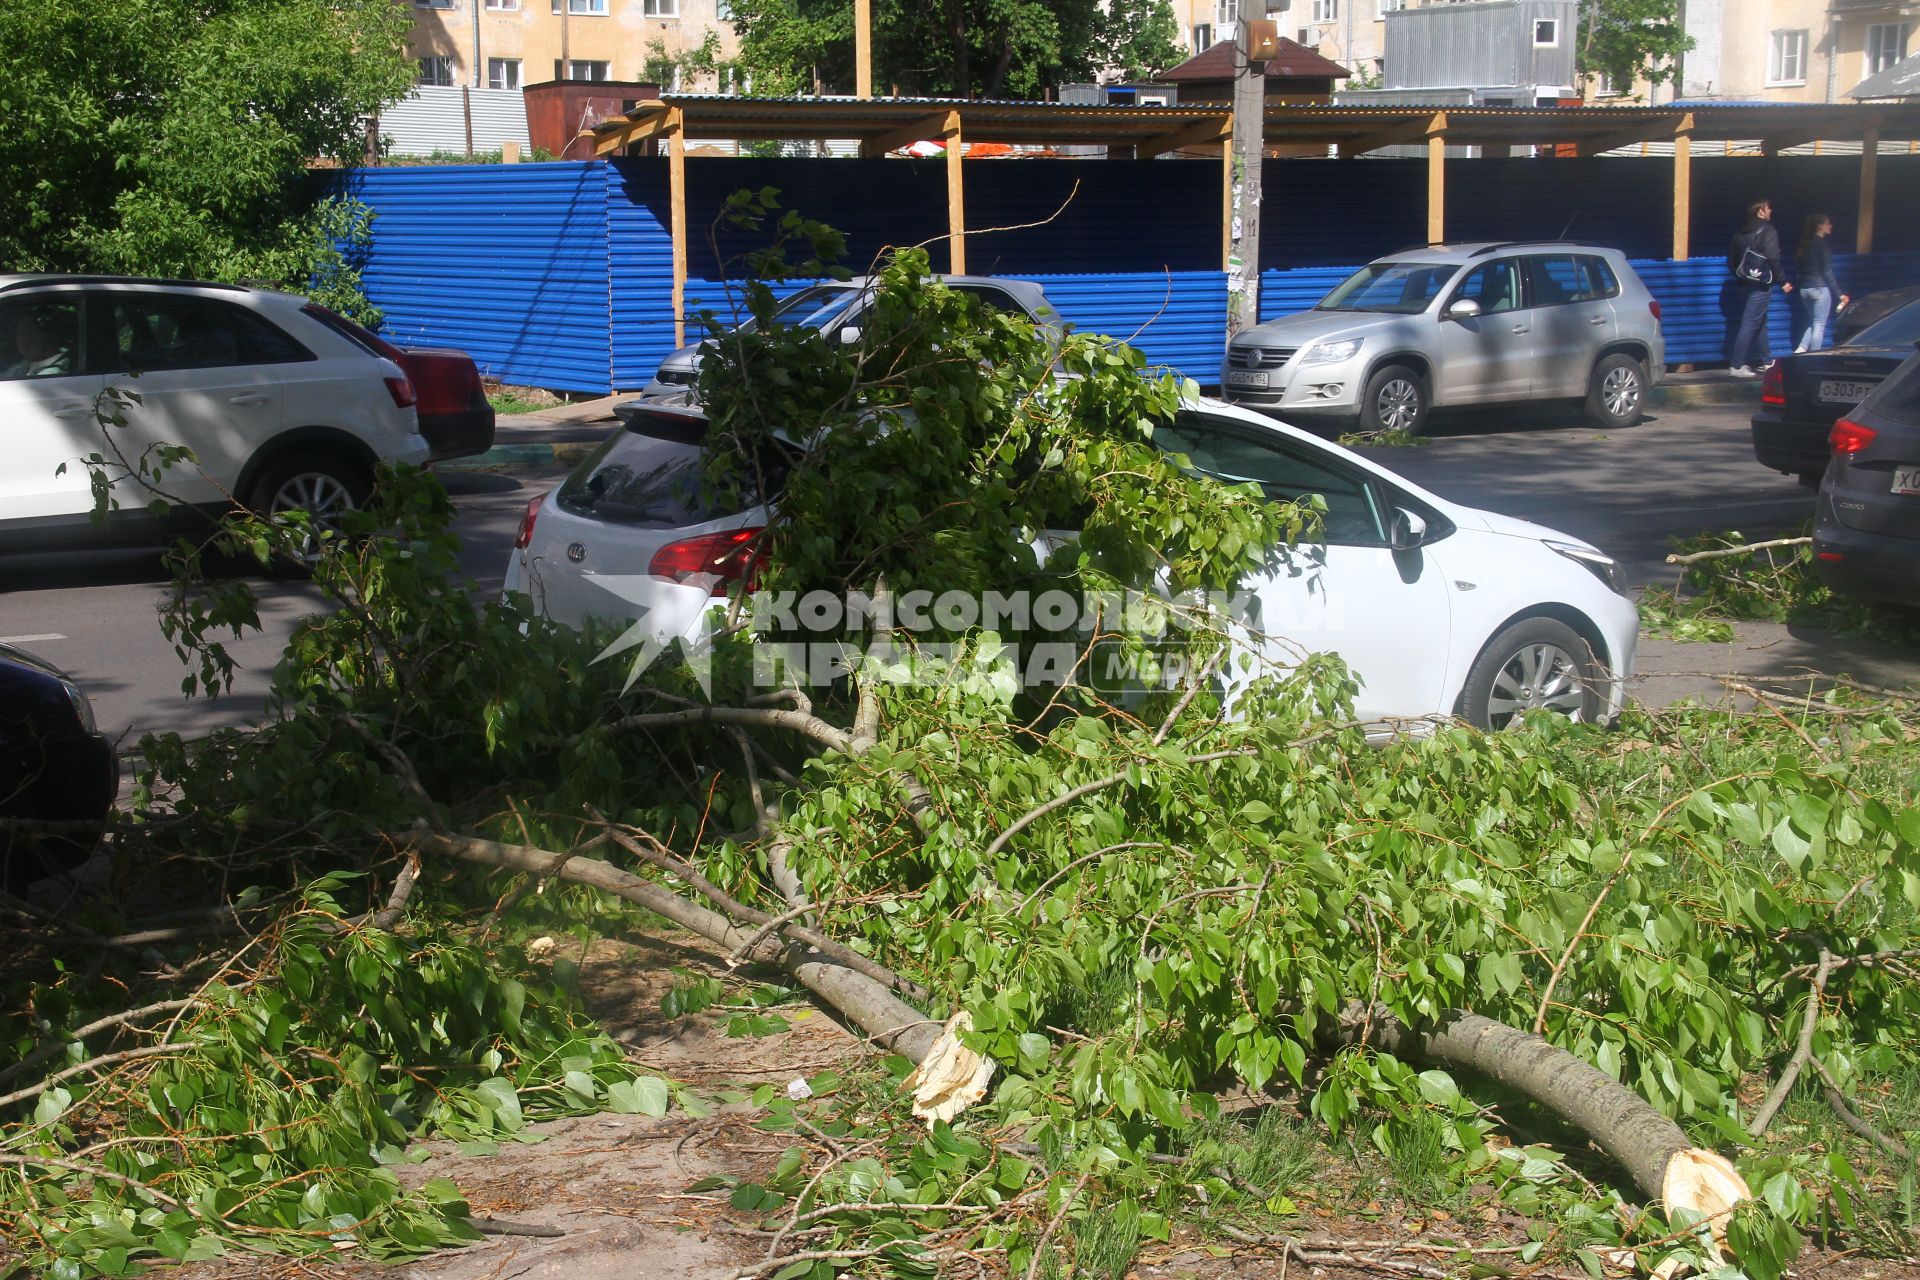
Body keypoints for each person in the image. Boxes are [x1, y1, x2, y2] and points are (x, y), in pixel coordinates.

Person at [1727, 198, 1791, 377]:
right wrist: (1782, 281)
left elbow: (1731, 261)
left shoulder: (1740, 231)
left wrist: (1743, 276)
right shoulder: (1768, 231)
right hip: (1760, 285)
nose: (1771, 212)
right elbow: (1773, 257)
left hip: (1742, 284)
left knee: (1759, 321)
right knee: (1749, 323)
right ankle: (1736, 366)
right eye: (1768, 209)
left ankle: (1767, 361)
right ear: (1760, 212)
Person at [1793, 214, 1848, 353]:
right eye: (1827, 223)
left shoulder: (1804, 244)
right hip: (1819, 289)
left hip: (1805, 289)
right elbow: (1827, 271)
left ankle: (1801, 349)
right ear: (1819, 226)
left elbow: (1799, 269)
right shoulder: (1823, 245)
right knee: (1819, 325)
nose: (1831, 226)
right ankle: (1813, 356)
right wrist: (1839, 294)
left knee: (1813, 321)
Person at [0, 308, 74, 379]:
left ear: (48, 335)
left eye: (31, 333)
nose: (25, 339)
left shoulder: (54, 372)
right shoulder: (24, 365)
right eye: (21, 333)